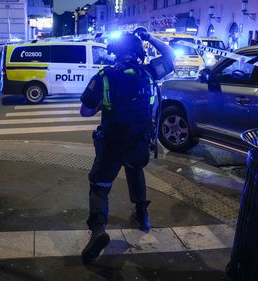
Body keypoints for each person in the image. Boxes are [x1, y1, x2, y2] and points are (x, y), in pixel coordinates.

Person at [79, 27, 175, 265]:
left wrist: (104, 105)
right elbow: (170, 56)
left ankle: (99, 230)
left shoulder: (105, 76)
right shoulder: (150, 72)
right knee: (135, 171)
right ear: (138, 52)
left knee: (99, 185)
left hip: (112, 143)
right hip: (138, 142)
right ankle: (142, 215)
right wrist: (150, 36)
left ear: (115, 53)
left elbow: (85, 111)